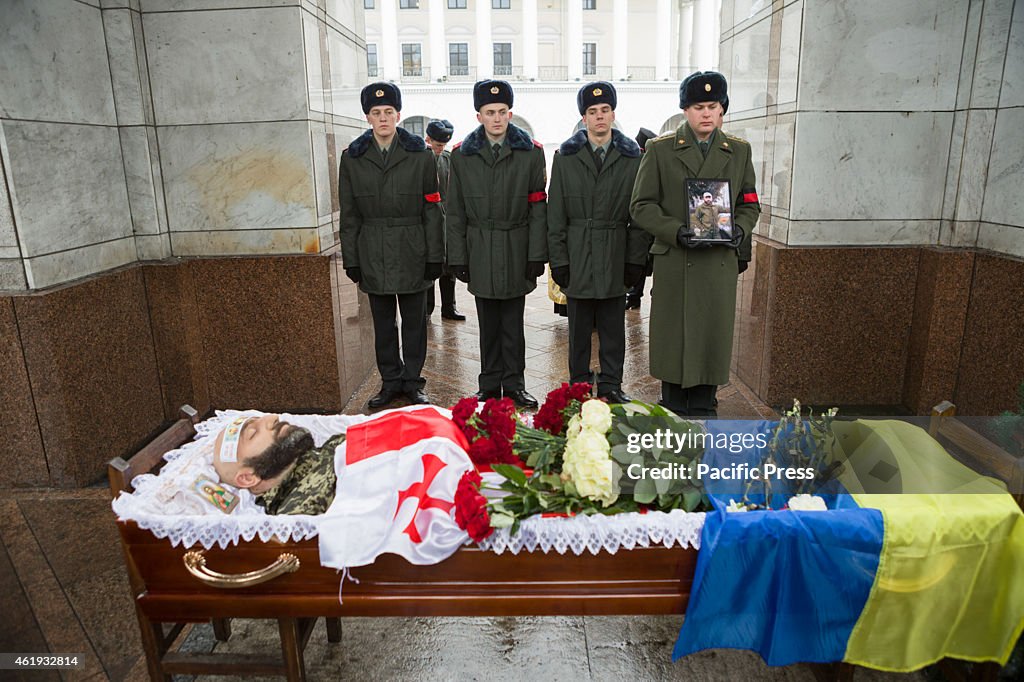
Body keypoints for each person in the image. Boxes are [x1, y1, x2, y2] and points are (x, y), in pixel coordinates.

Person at [630, 71, 760, 417]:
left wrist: (740, 230)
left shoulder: (739, 152)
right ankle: (671, 404)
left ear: (722, 110)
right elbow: (641, 205)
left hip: (718, 261)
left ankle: (705, 404)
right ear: (685, 111)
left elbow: (749, 202)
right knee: (674, 337)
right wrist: (674, 230)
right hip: (676, 259)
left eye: (712, 106)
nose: (705, 113)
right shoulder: (660, 150)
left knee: (710, 336)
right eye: (698, 106)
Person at [339, 82, 444, 408]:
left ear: (398, 115)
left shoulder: (420, 155)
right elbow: (350, 214)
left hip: (412, 247)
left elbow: (432, 207)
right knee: (383, 324)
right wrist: (352, 258)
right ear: (368, 117)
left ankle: (412, 382)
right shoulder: (353, 158)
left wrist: (434, 255)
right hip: (373, 250)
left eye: (388, 112)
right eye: (376, 113)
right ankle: (389, 382)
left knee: (415, 322)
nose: (383, 118)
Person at [446, 79, 547, 408]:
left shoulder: (531, 152)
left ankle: (515, 383)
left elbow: (537, 207)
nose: (497, 118)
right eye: (490, 112)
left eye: (502, 112)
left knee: (513, 323)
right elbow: (456, 210)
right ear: (479, 116)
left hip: (516, 244)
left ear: (510, 113)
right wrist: (458, 257)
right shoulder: (462, 155)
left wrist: (536, 254)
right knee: (488, 322)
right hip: (481, 246)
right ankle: (489, 384)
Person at [547, 82, 650, 403]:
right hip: (577, 252)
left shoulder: (633, 157)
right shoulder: (566, 156)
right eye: (593, 112)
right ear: (584, 117)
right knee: (577, 329)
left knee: (612, 327)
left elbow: (639, 214)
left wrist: (635, 260)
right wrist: (559, 262)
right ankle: (578, 384)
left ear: (613, 114)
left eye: (605, 110)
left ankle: (611, 384)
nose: (599, 117)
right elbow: (556, 213)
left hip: (614, 251)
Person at [211, 414, 341, 515]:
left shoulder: (333, 445)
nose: (273, 417)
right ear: (248, 478)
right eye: (253, 433)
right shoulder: (304, 510)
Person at [424, 119, 466, 322]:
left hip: (448, 220)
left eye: (443, 145)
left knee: (449, 267)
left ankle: (449, 307)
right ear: (428, 139)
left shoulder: (449, 159)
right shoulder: (421, 159)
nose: (440, 149)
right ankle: (427, 309)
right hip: (430, 222)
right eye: (437, 145)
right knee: (432, 265)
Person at [626, 127, 657, 310]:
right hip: (640, 225)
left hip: (650, 227)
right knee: (638, 263)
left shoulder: (649, 163)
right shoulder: (636, 162)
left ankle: (635, 296)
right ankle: (634, 296)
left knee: (643, 262)